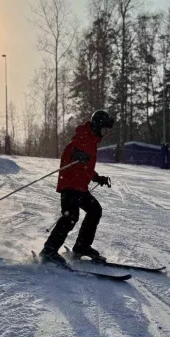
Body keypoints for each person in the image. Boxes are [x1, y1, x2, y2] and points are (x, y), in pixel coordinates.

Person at [39, 110, 115, 264]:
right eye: (105, 129)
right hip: (69, 185)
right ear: (98, 125)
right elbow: (71, 151)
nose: (106, 132)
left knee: (95, 210)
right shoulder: (83, 137)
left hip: (80, 187)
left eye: (108, 130)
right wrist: (76, 155)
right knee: (71, 217)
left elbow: (85, 166)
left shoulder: (92, 141)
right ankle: (49, 251)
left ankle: (82, 246)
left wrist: (97, 177)